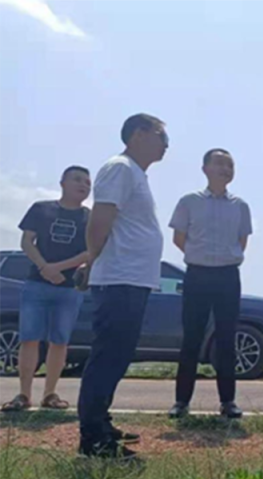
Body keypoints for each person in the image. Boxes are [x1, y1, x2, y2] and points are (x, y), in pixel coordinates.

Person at [77, 113, 168, 458]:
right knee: (108, 355)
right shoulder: (120, 167)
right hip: (118, 278)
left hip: (132, 279)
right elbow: (100, 219)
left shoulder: (135, 173)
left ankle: (101, 421)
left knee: (118, 355)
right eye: (161, 136)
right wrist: (91, 261)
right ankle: (93, 438)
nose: (166, 145)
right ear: (139, 134)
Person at [167, 149, 253, 419]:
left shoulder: (240, 206)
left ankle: (228, 401)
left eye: (230, 165)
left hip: (228, 276)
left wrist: (222, 259)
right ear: (205, 168)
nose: (225, 169)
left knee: (227, 339)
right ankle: (181, 401)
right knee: (191, 338)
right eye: (220, 163)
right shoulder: (189, 201)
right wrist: (201, 257)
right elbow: (179, 238)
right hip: (197, 275)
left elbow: (241, 241)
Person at [1, 167, 91, 413]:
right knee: (29, 338)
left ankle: (50, 394)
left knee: (59, 340)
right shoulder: (41, 209)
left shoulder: (89, 217)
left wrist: (58, 268)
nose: (83, 185)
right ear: (63, 183)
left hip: (69, 287)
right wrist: (44, 267)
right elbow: (26, 241)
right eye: (77, 180)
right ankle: (23, 394)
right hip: (36, 284)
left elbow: (90, 252)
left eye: (87, 182)